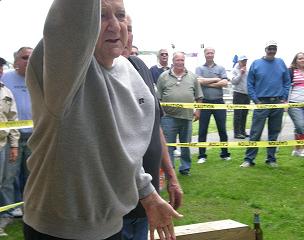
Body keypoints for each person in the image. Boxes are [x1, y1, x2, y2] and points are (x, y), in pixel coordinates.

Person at [23, 1, 181, 240]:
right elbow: (70, 17)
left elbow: (124, 149)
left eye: (120, 15)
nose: (115, 25)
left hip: (111, 228)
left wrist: (148, 195)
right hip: (55, 229)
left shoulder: (129, 72)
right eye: (101, 15)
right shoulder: (62, 72)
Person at [121, 15, 183, 240]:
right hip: (118, 205)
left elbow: (155, 126)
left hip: (148, 198)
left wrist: (171, 175)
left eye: (128, 28)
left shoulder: (139, 66)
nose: (123, 34)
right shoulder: (98, 75)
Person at [240, 40, 290, 168]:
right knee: (255, 132)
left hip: (277, 103)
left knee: (274, 133)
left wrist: (283, 97)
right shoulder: (256, 63)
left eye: (274, 48)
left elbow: (287, 81)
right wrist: (256, 100)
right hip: (261, 102)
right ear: (265, 49)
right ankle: (249, 159)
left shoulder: (281, 62)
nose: (272, 50)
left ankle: (271, 159)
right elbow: (250, 83)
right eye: (269, 48)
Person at [157, 51, 203, 176]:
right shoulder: (163, 76)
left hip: (187, 117)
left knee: (185, 145)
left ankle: (185, 168)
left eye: (182, 60)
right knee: (168, 146)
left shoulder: (192, 77)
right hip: (168, 117)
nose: (180, 62)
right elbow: (158, 98)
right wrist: (161, 113)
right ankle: (169, 170)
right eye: (177, 60)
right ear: (173, 61)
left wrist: (198, 111)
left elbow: (199, 97)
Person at [1, 47, 33, 217]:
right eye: (25, 57)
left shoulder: (40, 77)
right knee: (9, 176)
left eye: (32, 57)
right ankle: (10, 208)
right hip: (11, 136)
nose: (29, 60)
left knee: (32, 175)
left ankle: (30, 207)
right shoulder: (5, 78)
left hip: (34, 136)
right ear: (15, 63)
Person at [196, 47, 231, 164]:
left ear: (214, 54)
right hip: (205, 102)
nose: (209, 55)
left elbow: (225, 83)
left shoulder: (220, 68)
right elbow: (198, 82)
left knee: (222, 129)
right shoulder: (199, 68)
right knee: (202, 130)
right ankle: (202, 155)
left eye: (211, 53)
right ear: (204, 54)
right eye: (207, 53)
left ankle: (225, 153)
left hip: (219, 102)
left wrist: (208, 83)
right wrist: (216, 79)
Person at [0, 81, 20, 237]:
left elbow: (13, 119)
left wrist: (14, 146)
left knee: (5, 181)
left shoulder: (6, 91)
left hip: (2, 145)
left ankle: (5, 217)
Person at [231, 55, 250, 139]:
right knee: (238, 114)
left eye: (245, 61)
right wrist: (240, 73)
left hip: (246, 94)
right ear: (239, 61)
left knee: (245, 114)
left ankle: (242, 131)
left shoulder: (247, 69)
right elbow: (234, 82)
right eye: (243, 61)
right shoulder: (234, 70)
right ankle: (237, 133)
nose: (244, 62)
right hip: (238, 94)